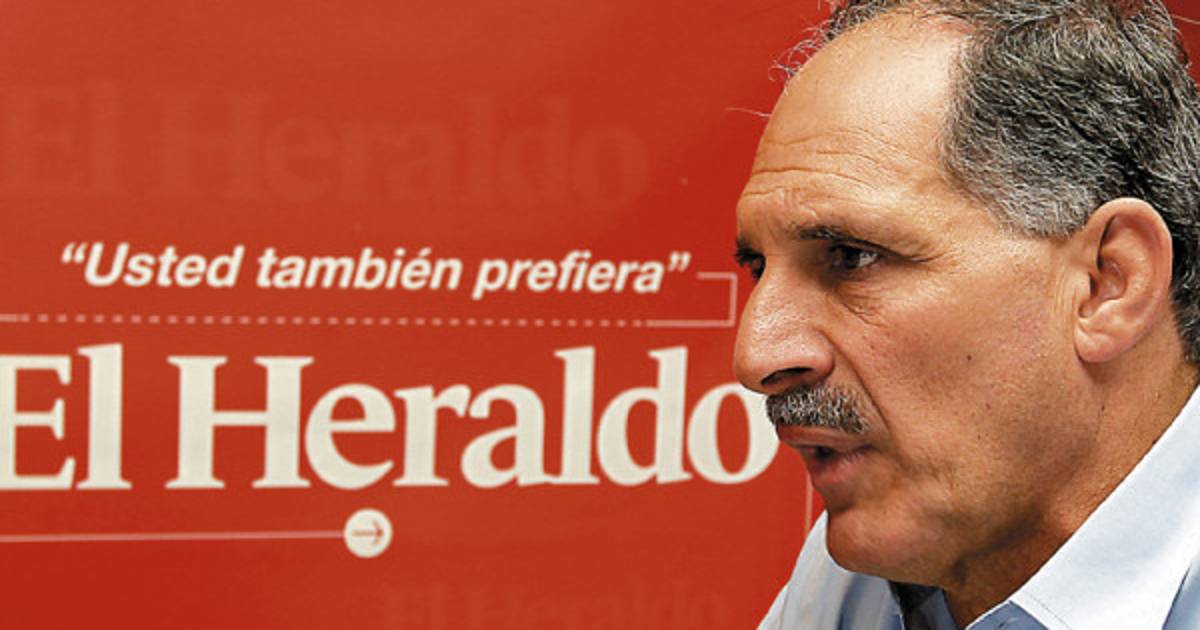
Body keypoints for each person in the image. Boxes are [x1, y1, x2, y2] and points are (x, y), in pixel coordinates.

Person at [732, 1, 1200, 628]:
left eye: (850, 257)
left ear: (1106, 283)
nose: (756, 355)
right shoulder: (867, 572)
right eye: (758, 266)